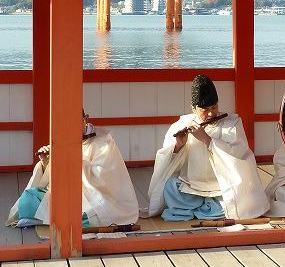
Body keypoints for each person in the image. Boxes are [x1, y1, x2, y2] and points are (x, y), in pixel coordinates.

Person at [146, 75, 267, 221]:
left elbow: (239, 155)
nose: (211, 113)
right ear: (194, 108)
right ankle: (204, 210)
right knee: (169, 187)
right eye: (205, 109)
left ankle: (196, 210)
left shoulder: (231, 123)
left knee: (236, 201)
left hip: (220, 188)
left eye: (214, 107)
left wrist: (207, 140)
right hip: (190, 187)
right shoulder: (183, 124)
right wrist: (178, 146)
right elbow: (165, 163)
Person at [7, 110, 138, 228]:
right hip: (66, 194)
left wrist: (69, 159)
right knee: (27, 200)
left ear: (85, 118)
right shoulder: (65, 138)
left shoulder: (104, 142)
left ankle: (47, 218)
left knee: (91, 216)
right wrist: (46, 162)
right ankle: (52, 218)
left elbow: (103, 178)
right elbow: (56, 178)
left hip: (92, 198)